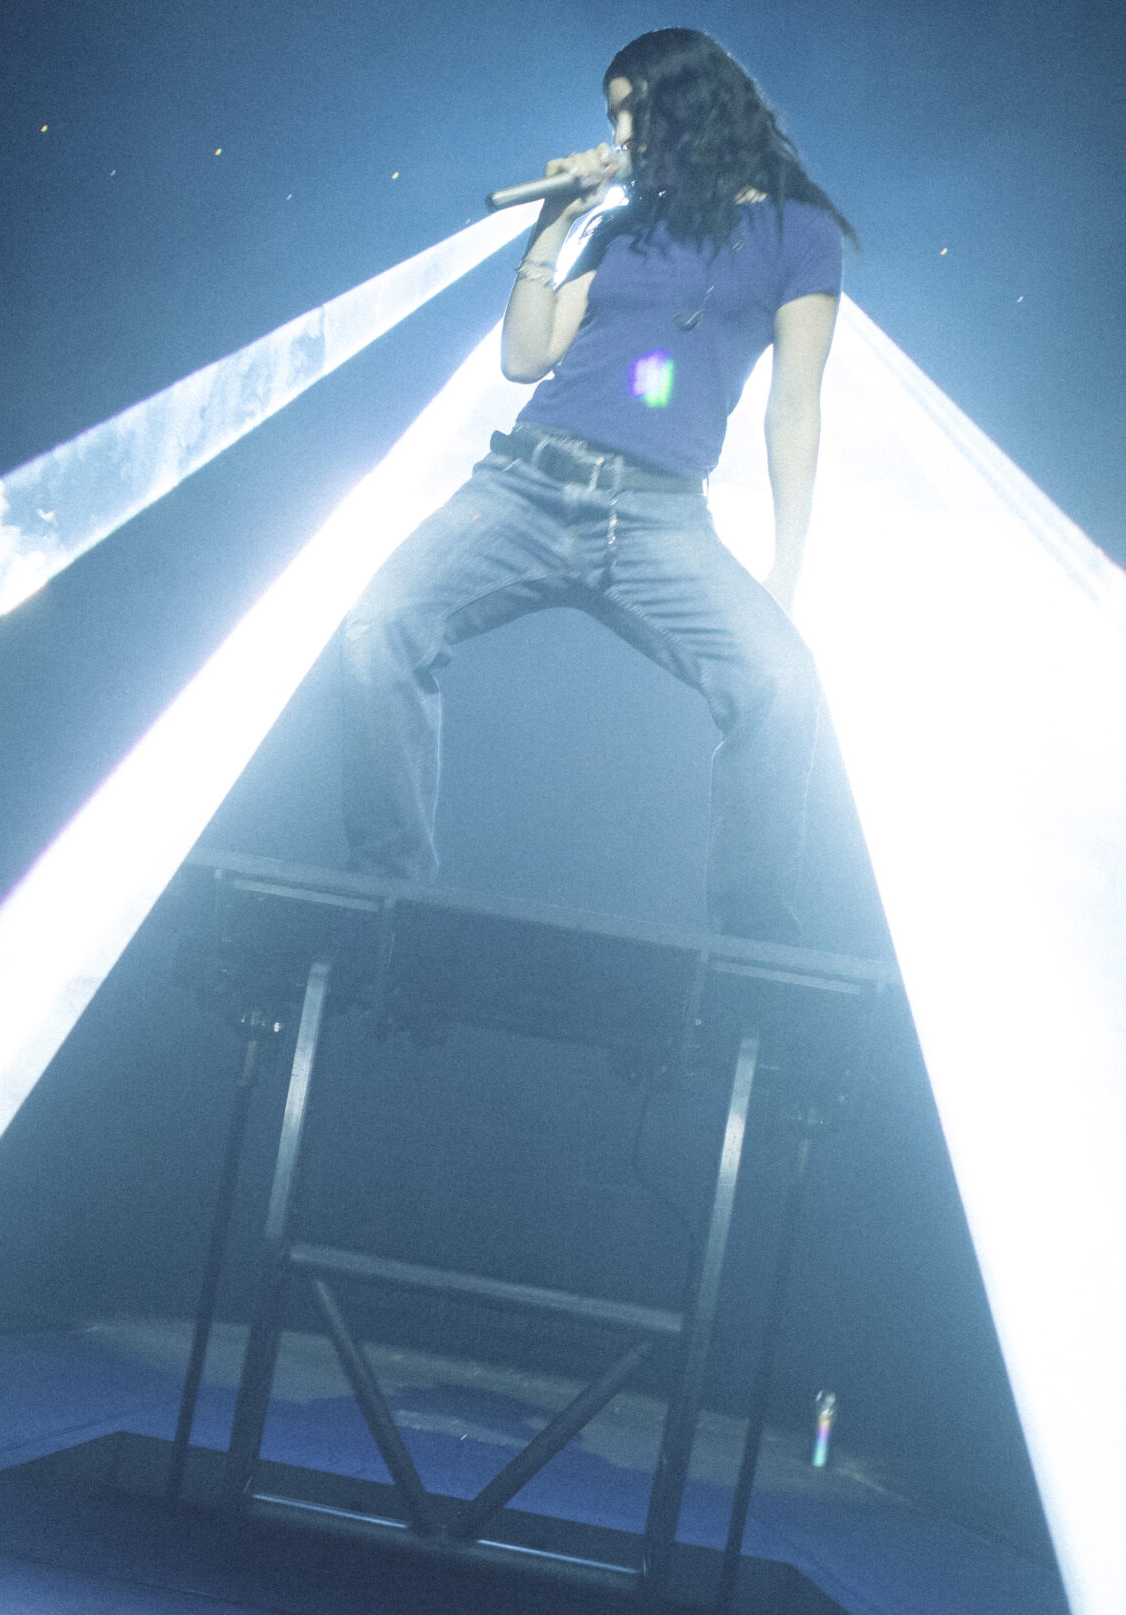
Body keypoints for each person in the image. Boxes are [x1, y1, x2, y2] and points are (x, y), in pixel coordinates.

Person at [339, 28, 853, 943]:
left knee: (782, 681)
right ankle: (387, 891)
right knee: (379, 627)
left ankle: (751, 941)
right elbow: (524, 354)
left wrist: (789, 561)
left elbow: (795, 409)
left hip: (659, 521)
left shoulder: (801, 234)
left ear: (690, 103)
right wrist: (554, 221)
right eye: (613, 116)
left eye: (632, 111)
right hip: (525, 487)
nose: (621, 134)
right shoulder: (625, 223)